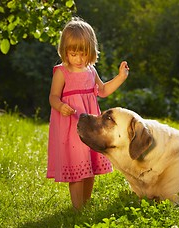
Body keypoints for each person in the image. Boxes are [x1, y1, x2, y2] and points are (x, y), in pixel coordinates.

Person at [47, 17, 129, 211]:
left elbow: (103, 91)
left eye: (83, 54)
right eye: (73, 53)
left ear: (91, 51)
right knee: (77, 170)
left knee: (89, 168)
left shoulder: (91, 71)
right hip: (71, 127)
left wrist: (120, 77)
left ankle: (85, 204)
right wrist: (60, 106)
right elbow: (52, 97)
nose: (78, 59)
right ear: (64, 51)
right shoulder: (61, 72)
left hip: (91, 127)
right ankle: (77, 211)